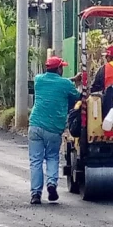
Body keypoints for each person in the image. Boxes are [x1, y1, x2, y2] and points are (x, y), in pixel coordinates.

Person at [28, 56, 81, 205]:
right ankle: (51, 183)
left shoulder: (38, 80)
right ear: (59, 69)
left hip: (35, 126)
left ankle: (36, 194)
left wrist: (70, 80)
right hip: (53, 129)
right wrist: (75, 81)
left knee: (36, 161)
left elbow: (55, 83)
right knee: (52, 157)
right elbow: (77, 96)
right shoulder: (65, 84)